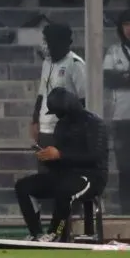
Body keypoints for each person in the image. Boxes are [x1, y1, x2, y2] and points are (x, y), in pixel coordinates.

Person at [16, 87, 108, 242]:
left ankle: (55, 233)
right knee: (23, 186)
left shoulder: (94, 123)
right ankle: (36, 234)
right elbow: (60, 160)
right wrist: (48, 158)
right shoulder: (61, 125)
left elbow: (95, 157)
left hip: (91, 177)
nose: (57, 116)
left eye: (59, 112)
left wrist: (60, 155)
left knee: (65, 190)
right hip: (64, 174)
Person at [32, 23, 86, 166]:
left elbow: (84, 100)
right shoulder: (47, 63)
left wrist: (76, 130)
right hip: (45, 129)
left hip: (65, 131)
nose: (44, 45)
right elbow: (42, 93)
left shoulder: (76, 64)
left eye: (47, 40)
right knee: (44, 173)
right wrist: (35, 121)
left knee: (62, 172)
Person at [103, 10, 130, 214]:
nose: (129, 29)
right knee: (125, 168)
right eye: (126, 24)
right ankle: (126, 210)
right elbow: (109, 79)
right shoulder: (114, 51)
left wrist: (124, 76)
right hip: (122, 118)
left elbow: (118, 78)